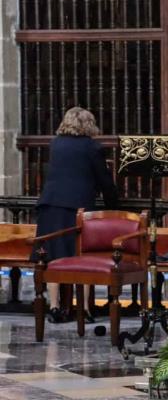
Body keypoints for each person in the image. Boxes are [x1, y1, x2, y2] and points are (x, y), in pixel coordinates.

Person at [35, 107, 118, 323]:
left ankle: (54, 307)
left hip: (50, 203)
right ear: (88, 124)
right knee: (83, 255)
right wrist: (114, 205)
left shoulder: (55, 144)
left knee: (53, 256)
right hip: (77, 207)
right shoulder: (91, 147)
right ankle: (84, 309)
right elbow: (103, 179)